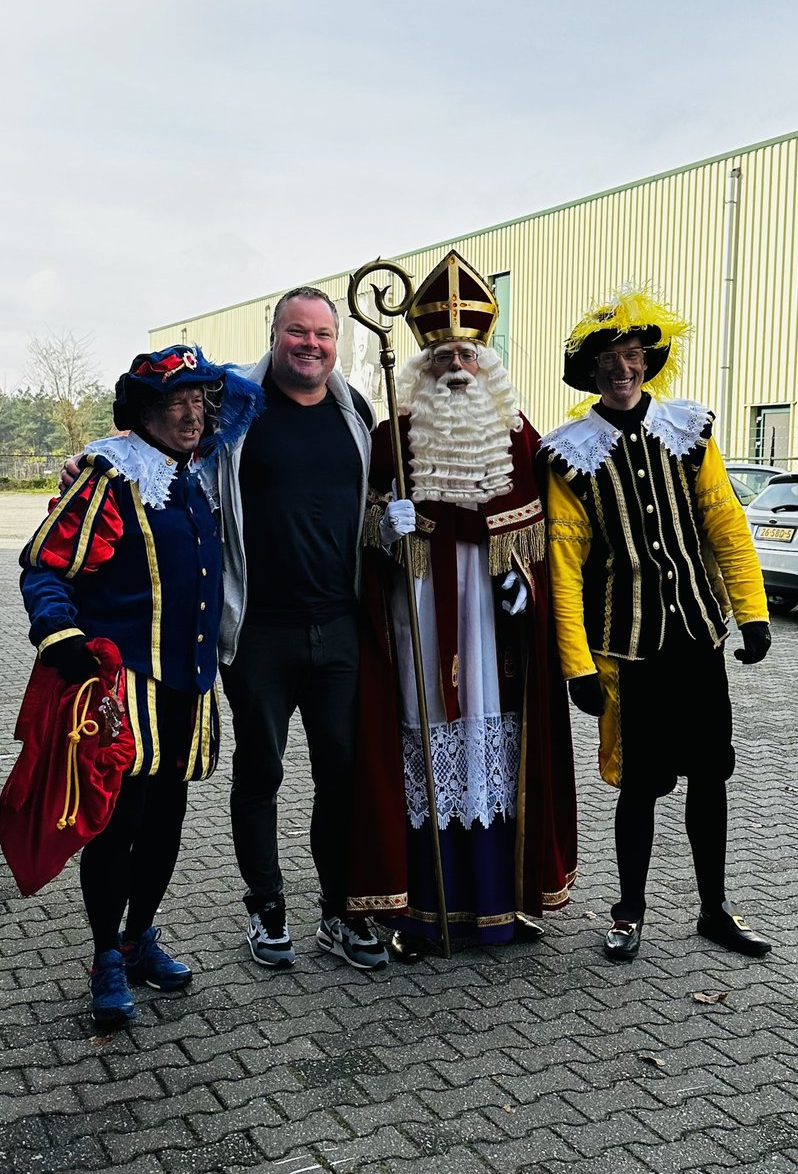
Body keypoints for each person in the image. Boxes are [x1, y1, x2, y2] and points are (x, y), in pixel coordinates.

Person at [20, 345, 262, 1025]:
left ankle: (138, 937)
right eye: (176, 401)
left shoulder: (200, 475)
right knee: (118, 826)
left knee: (167, 821)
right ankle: (104, 955)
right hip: (124, 687)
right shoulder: (110, 477)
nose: (193, 414)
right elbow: (46, 565)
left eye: (200, 401)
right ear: (146, 412)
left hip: (189, 683)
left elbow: (254, 397)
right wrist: (59, 632)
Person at [346, 249, 577, 960]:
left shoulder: (519, 437)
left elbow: (542, 526)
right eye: (443, 353)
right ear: (420, 362)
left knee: (495, 745)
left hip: (493, 628)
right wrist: (383, 528)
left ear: (488, 363)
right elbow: (360, 524)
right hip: (416, 619)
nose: (456, 364)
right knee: (421, 738)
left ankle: (500, 902)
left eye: (469, 354)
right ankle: (420, 908)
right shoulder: (392, 433)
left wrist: (523, 583)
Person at [538, 284, 773, 963]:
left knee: (710, 775)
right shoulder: (570, 456)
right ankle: (629, 911)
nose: (623, 369)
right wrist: (576, 664)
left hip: (698, 637)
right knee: (639, 786)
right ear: (591, 371)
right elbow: (564, 563)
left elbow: (725, 522)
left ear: (649, 361)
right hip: (629, 649)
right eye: (609, 360)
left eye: (633, 355)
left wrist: (751, 613)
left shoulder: (688, 433)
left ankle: (714, 909)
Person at [217, 286, 390, 971]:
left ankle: (340, 913)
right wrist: (97, 460)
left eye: (323, 334)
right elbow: (165, 452)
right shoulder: (234, 409)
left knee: (342, 775)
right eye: (298, 332)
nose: (311, 345)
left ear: (336, 341)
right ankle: (265, 905)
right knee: (260, 770)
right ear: (275, 334)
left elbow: (375, 503)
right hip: (259, 630)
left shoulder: (359, 414)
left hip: (339, 627)